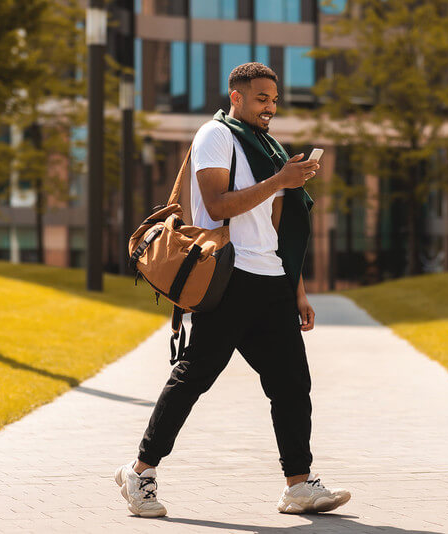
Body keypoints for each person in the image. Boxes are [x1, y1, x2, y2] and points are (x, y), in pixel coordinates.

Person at [114, 62, 351, 517]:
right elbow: (218, 203)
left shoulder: (269, 148)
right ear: (236, 96)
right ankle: (139, 473)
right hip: (227, 278)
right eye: (262, 98)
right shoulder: (216, 136)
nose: (270, 108)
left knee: (291, 384)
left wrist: (297, 289)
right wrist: (280, 180)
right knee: (193, 378)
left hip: (270, 280)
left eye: (275, 100)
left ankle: (298, 485)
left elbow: (277, 230)